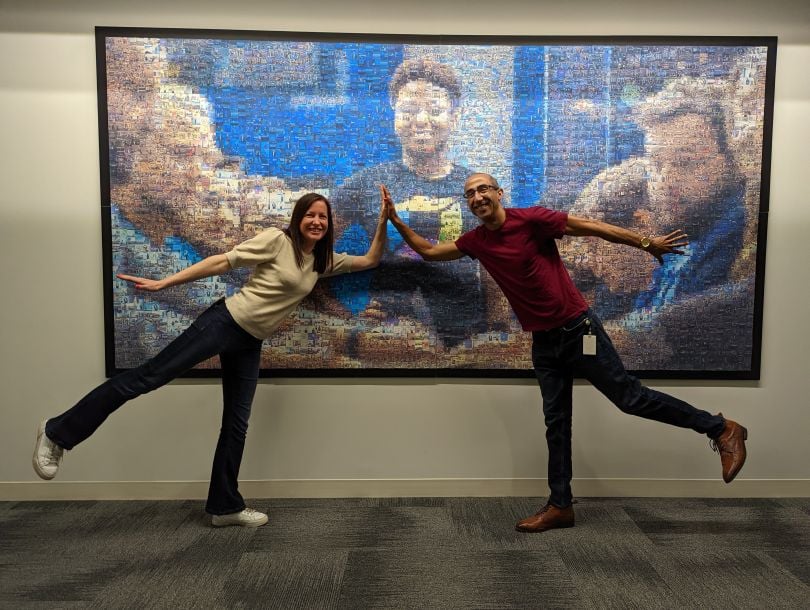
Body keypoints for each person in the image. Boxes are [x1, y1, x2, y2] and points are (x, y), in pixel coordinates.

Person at [383, 174, 749, 533]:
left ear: (498, 193)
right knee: (556, 423)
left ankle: (721, 428)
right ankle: (560, 506)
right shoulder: (477, 241)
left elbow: (590, 227)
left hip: (578, 329)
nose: (477, 197)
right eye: (469, 194)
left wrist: (646, 243)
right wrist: (397, 221)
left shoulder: (531, 220)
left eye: (483, 189)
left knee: (630, 398)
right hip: (543, 342)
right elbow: (430, 252)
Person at [33, 191, 388, 527]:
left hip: (250, 342)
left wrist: (385, 219)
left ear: (329, 224)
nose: (316, 221)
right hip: (224, 323)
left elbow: (371, 259)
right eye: (310, 214)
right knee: (147, 378)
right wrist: (165, 284)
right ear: (297, 219)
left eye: (322, 216)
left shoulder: (321, 261)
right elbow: (223, 261)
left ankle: (224, 506)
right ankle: (56, 433)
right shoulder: (276, 241)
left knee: (237, 423)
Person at [563, 77, 755, 370]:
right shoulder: (671, 232)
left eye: (686, 163)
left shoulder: (733, 228)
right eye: (655, 163)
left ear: (732, 162)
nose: (665, 181)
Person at [332, 58, 495, 358]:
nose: (421, 120)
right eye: (408, 111)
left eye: (435, 110)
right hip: (385, 343)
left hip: (466, 343)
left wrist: (497, 335)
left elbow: (499, 272)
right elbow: (305, 252)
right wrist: (340, 316)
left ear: (455, 117)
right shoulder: (365, 184)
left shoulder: (477, 190)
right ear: (394, 115)